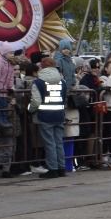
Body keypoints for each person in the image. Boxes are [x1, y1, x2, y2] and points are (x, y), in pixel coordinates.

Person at [28, 50, 68, 178]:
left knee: (49, 143)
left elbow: (36, 101)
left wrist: (30, 109)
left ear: (42, 67)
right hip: (59, 114)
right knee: (59, 142)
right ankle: (62, 168)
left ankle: (53, 169)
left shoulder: (38, 82)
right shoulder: (62, 82)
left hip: (45, 116)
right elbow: (64, 98)